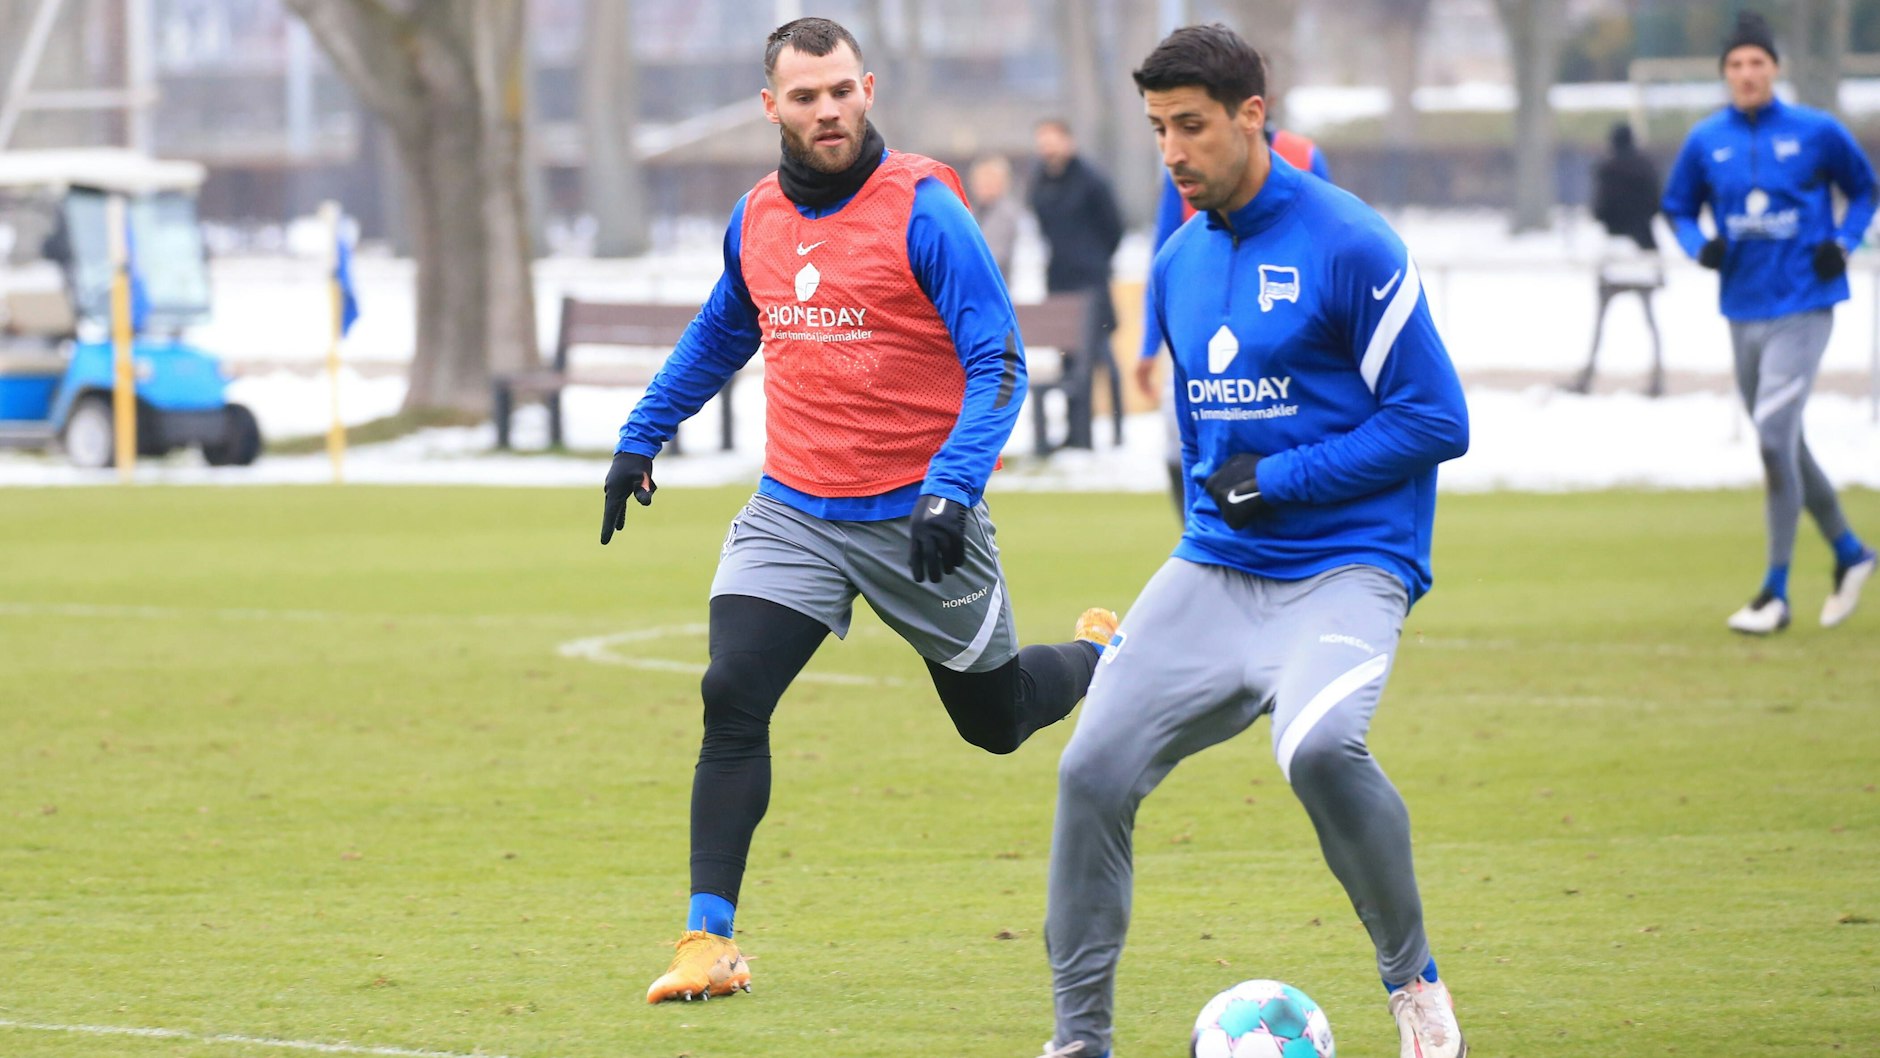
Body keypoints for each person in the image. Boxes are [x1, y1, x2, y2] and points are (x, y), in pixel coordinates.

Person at [599, 17, 1116, 1004]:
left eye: (841, 90)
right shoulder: (756, 216)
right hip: (793, 511)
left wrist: (952, 486)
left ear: (867, 89)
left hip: (920, 516)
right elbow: (722, 330)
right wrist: (640, 435)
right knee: (730, 691)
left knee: (997, 721)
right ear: (772, 107)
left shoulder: (925, 210)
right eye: (806, 96)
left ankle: (1101, 656)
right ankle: (708, 941)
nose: (827, 110)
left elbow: (998, 359)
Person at [1036, 24, 1471, 1058]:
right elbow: (1207, 449)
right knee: (1088, 769)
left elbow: (1436, 418)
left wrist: (1278, 480)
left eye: (1191, 125)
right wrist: (1216, 518)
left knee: (1317, 746)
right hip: (1219, 566)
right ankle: (1078, 1040)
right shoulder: (1177, 262)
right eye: (1157, 129)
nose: (1172, 151)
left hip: (1349, 564)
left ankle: (1413, 984)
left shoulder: (1350, 242)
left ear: (1251, 114)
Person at [1661, 10, 1877, 635]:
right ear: (1725, 73)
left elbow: (1866, 189)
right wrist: (1698, 245)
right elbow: (1677, 206)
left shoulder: (1817, 130)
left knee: (1773, 436)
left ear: (1775, 68)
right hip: (1742, 306)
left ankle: (1774, 594)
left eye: (1757, 62)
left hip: (1805, 302)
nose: (1747, 72)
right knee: (1782, 441)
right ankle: (1850, 552)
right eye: (1736, 64)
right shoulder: (1706, 139)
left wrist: (1844, 242)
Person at [1139, 125, 1332, 517]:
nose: (1173, 149)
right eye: (1161, 126)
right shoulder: (1181, 168)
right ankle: (1199, 529)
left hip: (1283, 327)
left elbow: (1328, 245)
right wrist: (1149, 345)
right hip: (1204, 324)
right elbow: (1163, 254)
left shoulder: (1304, 156)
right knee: (1179, 439)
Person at [1028, 118, 1125, 450]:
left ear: (1068, 141)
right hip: (1060, 280)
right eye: (1043, 142)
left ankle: (1112, 431)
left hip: (1091, 280)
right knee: (1068, 358)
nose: (1048, 149)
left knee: (1101, 355)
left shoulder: (1091, 180)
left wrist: (1094, 259)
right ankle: (1075, 433)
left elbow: (1114, 228)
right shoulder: (1041, 182)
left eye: (1053, 141)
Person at [1568, 122, 1666, 397]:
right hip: (1643, 250)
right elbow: (1656, 205)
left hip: (1614, 252)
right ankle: (1658, 378)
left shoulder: (1606, 169)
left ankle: (1588, 376)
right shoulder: (1647, 167)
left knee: (1600, 321)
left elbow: (1599, 211)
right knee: (1651, 321)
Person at [967, 154, 1024, 281]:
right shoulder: (969, 212)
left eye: (991, 180)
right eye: (981, 180)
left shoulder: (1009, 214)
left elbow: (997, 256)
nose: (985, 185)